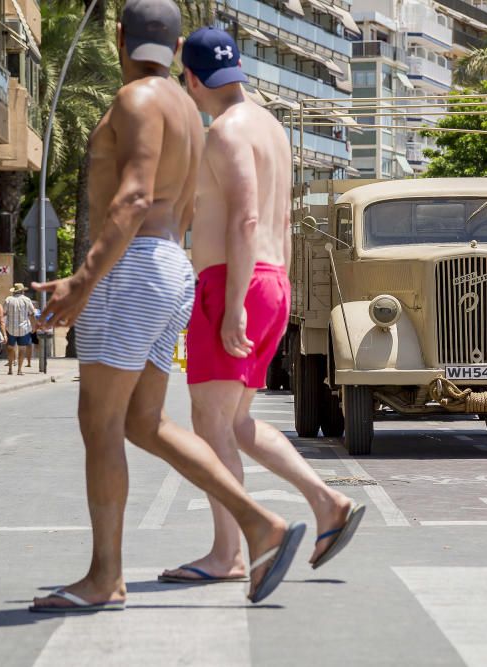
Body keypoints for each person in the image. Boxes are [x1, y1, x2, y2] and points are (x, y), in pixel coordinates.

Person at [29, 0, 304, 612]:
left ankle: (105, 578)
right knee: (143, 422)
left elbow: (131, 198)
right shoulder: (188, 110)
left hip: (129, 270)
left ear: (119, 37)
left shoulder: (138, 100)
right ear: (179, 50)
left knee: (100, 425)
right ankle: (259, 523)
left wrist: (82, 279)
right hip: (170, 269)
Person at [157, 27, 362, 585]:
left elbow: (245, 218)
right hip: (271, 280)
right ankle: (327, 503)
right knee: (237, 422)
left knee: (210, 422)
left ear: (194, 79)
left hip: (235, 285)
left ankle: (228, 553)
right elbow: (279, 222)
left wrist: (233, 307)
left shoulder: (224, 133)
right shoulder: (272, 129)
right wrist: (269, 293)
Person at [3, 283, 37, 376]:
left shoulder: (8, 300)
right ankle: (19, 370)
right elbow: (32, 314)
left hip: (10, 329)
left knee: (10, 348)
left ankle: (10, 369)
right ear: (22, 291)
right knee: (22, 349)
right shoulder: (27, 300)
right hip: (24, 329)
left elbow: (3, 313)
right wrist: (34, 326)